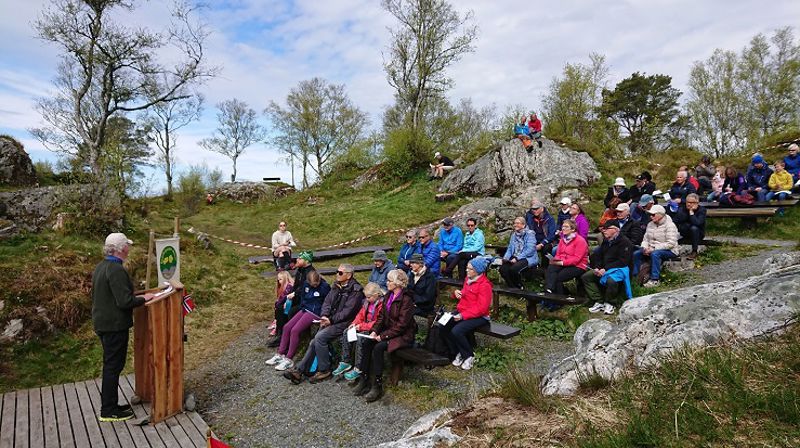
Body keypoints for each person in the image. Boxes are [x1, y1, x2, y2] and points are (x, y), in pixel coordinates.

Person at [92, 232, 154, 422]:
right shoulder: (116, 270)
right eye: (127, 245)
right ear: (121, 249)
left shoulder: (101, 266)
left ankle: (111, 405)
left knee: (111, 366)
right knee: (113, 367)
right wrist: (145, 299)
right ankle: (108, 410)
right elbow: (124, 301)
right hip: (113, 326)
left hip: (104, 324)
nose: (129, 248)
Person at [283, 264, 363, 384]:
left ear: (349, 275)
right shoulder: (336, 285)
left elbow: (348, 311)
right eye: (337, 271)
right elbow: (327, 302)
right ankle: (299, 371)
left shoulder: (356, 290)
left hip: (345, 323)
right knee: (314, 341)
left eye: (340, 273)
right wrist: (325, 316)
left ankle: (324, 369)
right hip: (331, 319)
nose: (337, 274)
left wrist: (331, 320)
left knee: (319, 338)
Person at [352, 269, 416, 402]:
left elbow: (402, 325)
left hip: (403, 335)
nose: (387, 283)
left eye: (389, 280)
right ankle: (364, 379)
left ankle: (377, 384)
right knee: (367, 342)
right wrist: (375, 331)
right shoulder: (388, 296)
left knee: (378, 347)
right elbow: (381, 317)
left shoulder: (406, 300)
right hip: (389, 332)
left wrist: (383, 336)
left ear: (398, 283)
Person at [268, 270, 331, 371]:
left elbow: (328, 302)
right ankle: (280, 353)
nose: (314, 286)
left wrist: (324, 314)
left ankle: (289, 359)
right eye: (312, 284)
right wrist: (303, 306)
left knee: (295, 330)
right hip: (305, 309)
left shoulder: (325, 287)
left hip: (315, 313)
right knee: (287, 327)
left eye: (316, 284)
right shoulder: (306, 284)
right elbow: (303, 296)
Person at [441, 257, 493, 371]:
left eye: (470, 269)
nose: (466, 270)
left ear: (477, 271)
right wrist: (456, 293)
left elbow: (482, 308)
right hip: (463, 311)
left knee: (457, 330)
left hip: (479, 316)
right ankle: (456, 351)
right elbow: (464, 294)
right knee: (442, 324)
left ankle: (468, 355)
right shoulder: (468, 279)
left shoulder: (485, 285)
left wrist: (463, 316)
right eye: (467, 268)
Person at [332, 282, 384, 382]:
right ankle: (345, 361)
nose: (367, 299)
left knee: (361, 339)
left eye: (369, 297)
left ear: (376, 295)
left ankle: (358, 367)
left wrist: (360, 326)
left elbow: (377, 322)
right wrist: (354, 323)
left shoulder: (381, 305)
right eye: (366, 297)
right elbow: (360, 315)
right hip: (363, 326)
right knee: (347, 331)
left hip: (373, 330)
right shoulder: (367, 302)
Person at [581, 220, 634, 315]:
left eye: (607, 229)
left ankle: (610, 303)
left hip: (620, 270)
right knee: (586, 277)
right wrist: (597, 267)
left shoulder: (626, 243)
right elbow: (598, 256)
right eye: (603, 229)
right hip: (604, 269)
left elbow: (623, 262)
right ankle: (599, 301)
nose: (604, 231)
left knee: (611, 281)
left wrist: (605, 269)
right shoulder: (606, 241)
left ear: (616, 230)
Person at [268, 251, 315, 347]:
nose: (297, 260)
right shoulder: (300, 270)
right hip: (296, 297)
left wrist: (294, 295)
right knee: (280, 307)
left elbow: (306, 289)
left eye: (300, 258)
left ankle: (289, 337)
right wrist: (289, 299)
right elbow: (295, 286)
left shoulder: (310, 272)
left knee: (291, 311)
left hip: (305, 301)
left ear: (306, 260)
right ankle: (280, 334)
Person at [633, 205, 680, 288]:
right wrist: (644, 248)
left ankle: (655, 279)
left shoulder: (670, 225)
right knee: (636, 253)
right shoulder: (650, 224)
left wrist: (653, 248)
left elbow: (671, 243)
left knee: (655, 254)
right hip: (651, 248)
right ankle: (635, 276)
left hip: (670, 250)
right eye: (650, 215)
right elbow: (645, 239)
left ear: (660, 215)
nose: (651, 216)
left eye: (653, 214)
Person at [545, 220, 589, 295]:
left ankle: (559, 298)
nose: (563, 228)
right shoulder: (563, 240)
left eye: (566, 227)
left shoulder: (580, 241)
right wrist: (555, 260)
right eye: (563, 226)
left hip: (578, 265)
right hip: (564, 263)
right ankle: (549, 290)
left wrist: (562, 262)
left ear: (573, 229)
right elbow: (558, 254)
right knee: (551, 268)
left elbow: (577, 259)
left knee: (558, 277)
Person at [500, 217, 538, 289]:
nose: (515, 225)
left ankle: (520, 287)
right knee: (503, 269)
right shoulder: (514, 235)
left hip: (527, 257)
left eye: (517, 223)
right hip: (516, 256)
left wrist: (517, 258)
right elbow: (510, 248)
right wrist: (506, 258)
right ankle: (512, 287)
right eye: (514, 223)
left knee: (514, 269)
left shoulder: (530, 234)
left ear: (523, 225)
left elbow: (530, 250)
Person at [672, 193, 706, 259]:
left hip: (698, 234)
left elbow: (697, 223)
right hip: (685, 232)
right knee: (678, 226)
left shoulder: (702, 210)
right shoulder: (682, 209)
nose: (689, 204)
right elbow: (676, 220)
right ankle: (673, 251)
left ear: (697, 203)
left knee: (694, 228)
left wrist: (691, 212)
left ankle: (694, 251)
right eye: (687, 202)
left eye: (691, 202)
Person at [525, 200, 557, 265]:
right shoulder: (531, 218)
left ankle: (545, 267)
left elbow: (552, 235)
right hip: (535, 240)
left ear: (542, 209)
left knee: (546, 248)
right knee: (527, 246)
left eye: (536, 209)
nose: (534, 210)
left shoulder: (549, 219)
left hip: (547, 241)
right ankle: (533, 266)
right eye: (533, 209)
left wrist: (542, 243)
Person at [268, 270, 294, 337]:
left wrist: (277, 304)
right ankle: (276, 322)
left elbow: (284, 298)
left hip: (289, 304)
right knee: (277, 307)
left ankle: (278, 327)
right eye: (278, 279)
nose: (279, 281)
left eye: (280, 279)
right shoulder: (283, 286)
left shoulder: (289, 287)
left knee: (279, 308)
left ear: (286, 278)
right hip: (285, 303)